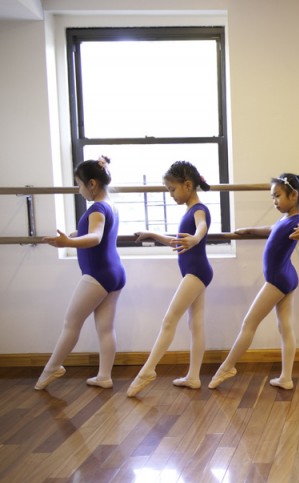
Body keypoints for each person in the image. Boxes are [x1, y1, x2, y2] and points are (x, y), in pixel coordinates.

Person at [209, 173, 299, 390]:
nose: (274, 201)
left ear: (293, 195)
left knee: (248, 324)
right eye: (272, 197)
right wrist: (250, 230)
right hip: (287, 276)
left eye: (277, 196)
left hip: (278, 279)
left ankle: (227, 367)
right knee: (285, 327)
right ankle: (286, 378)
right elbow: (271, 229)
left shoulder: (298, 220)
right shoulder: (284, 219)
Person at [35, 156, 126, 390]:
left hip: (98, 274)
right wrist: (71, 236)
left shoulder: (97, 208)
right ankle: (104, 376)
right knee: (105, 328)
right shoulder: (110, 205)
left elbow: (95, 237)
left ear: (92, 184)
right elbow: (92, 232)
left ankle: (51, 369)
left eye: (79, 184)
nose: (79, 190)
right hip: (115, 272)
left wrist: (67, 243)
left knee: (70, 323)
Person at [127, 161, 213, 397]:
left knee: (169, 320)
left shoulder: (199, 209)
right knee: (195, 324)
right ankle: (193, 376)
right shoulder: (189, 211)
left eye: (172, 189)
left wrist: (196, 238)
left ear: (188, 185)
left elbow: (202, 226)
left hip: (196, 272)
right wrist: (152, 234)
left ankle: (147, 371)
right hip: (196, 272)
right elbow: (176, 241)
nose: (171, 195)